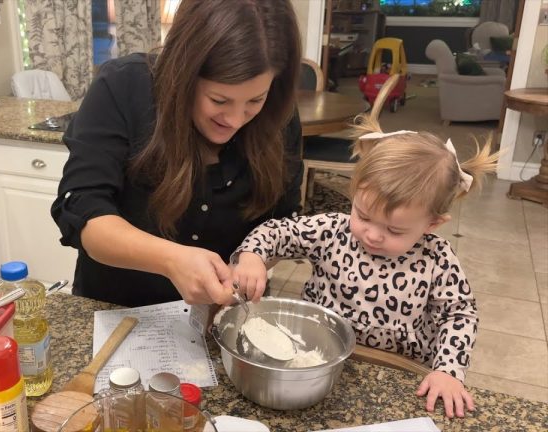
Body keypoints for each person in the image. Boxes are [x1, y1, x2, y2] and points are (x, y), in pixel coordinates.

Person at [230, 116, 498, 418]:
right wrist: (252, 255)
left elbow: (459, 315)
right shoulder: (333, 230)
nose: (372, 234)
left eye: (394, 231)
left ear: (432, 223)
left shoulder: (438, 258)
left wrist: (448, 371)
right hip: (317, 362)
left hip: (399, 373)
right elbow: (278, 232)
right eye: (364, 215)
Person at [51, 0, 305, 307]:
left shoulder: (279, 118)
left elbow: (283, 223)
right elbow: (83, 209)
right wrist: (172, 260)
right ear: (183, 72)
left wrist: (252, 262)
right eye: (220, 100)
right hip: (115, 308)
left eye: (255, 100)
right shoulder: (122, 87)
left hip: (220, 316)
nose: (236, 119)